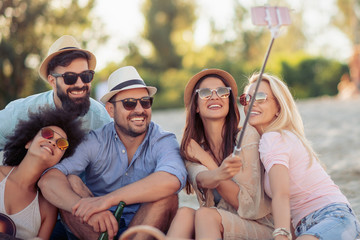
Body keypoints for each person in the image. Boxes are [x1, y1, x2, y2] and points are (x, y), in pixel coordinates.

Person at [38, 66, 187, 240]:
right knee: (70, 182)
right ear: (110, 110)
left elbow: (172, 179)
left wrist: (108, 200)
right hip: (97, 228)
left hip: (143, 226)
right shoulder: (95, 140)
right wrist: (83, 207)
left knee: (167, 197)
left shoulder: (163, 140)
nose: (139, 110)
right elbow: (48, 179)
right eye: (129, 103)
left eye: (145, 102)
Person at [240, 73, 360, 240]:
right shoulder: (273, 139)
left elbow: (281, 194)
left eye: (260, 97)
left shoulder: (273, 138)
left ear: (279, 107)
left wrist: (281, 235)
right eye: (247, 98)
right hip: (310, 226)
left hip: (331, 218)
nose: (251, 104)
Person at [167, 69, 274, 240]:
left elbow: (246, 205)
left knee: (205, 215)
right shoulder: (192, 148)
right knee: (185, 213)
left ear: (230, 102)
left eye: (223, 92)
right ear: (195, 106)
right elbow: (201, 179)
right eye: (205, 93)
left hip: (261, 227)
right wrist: (216, 170)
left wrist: (207, 160)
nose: (215, 96)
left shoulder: (247, 136)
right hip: (217, 226)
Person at [0, 35, 112, 150]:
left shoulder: (101, 120)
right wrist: (15, 168)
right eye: (70, 77)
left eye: (86, 76)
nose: (80, 84)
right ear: (52, 81)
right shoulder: (22, 112)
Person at [0, 106, 85, 240]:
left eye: (62, 144)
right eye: (47, 134)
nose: (52, 142)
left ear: (60, 159)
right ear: (28, 142)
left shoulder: (47, 207)